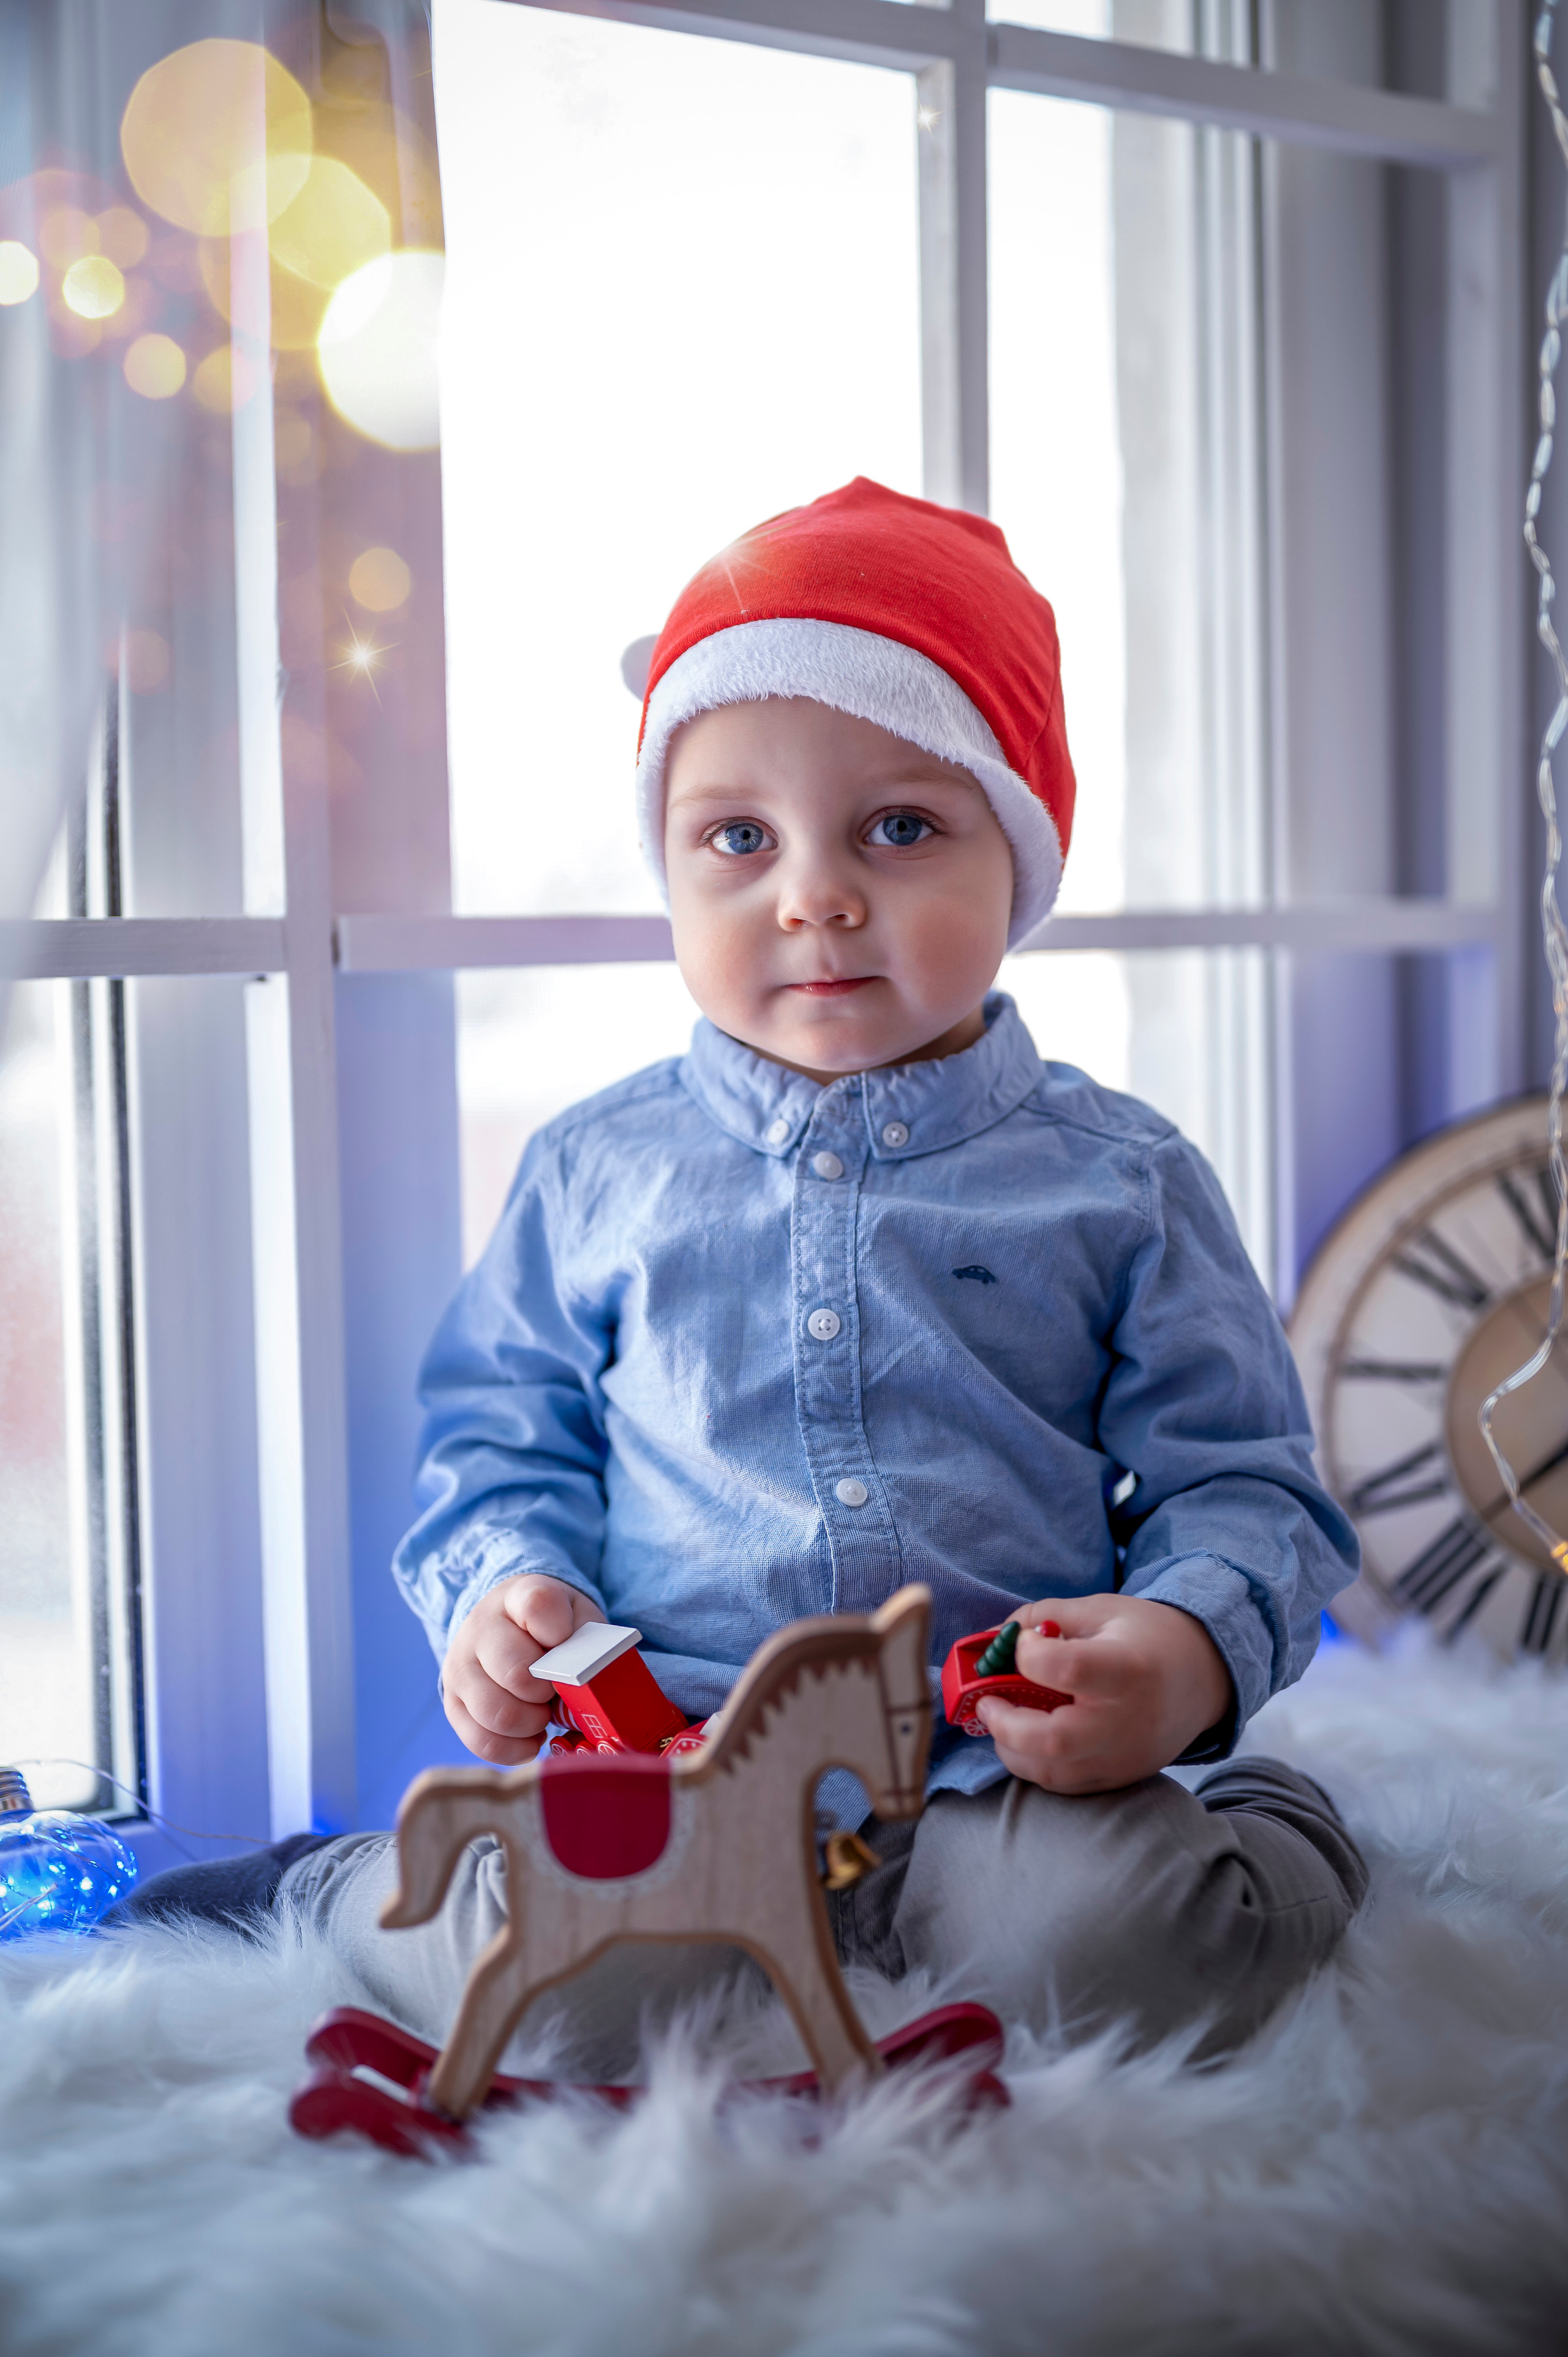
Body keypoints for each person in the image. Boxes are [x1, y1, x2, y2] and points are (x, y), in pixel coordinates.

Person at [112, 481, 1366, 2067]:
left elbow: (1243, 1482)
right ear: (671, 865)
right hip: (677, 1765)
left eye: (900, 827)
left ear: (1021, 851)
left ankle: (1277, 1818)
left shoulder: (1123, 1179)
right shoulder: (597, 1170)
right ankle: (345, 1889)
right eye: (737, 838)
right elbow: (506, 1442)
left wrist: (1185, 1655)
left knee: (1135, 1967)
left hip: (1001, 1771)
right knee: (561, 2008)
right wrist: (503, 1588)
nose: (815, 894)